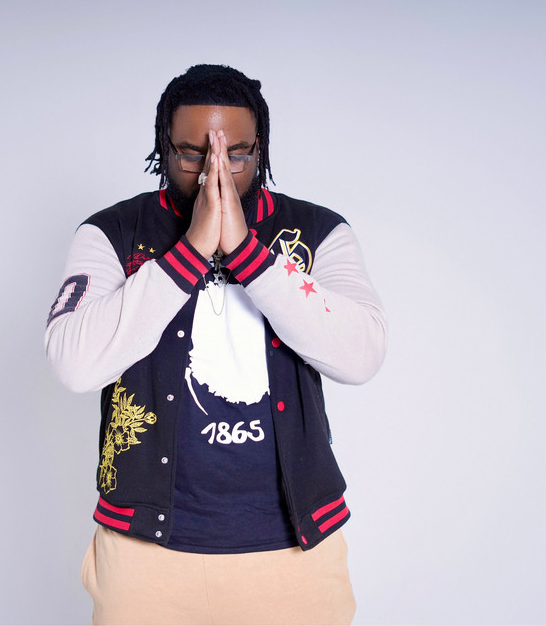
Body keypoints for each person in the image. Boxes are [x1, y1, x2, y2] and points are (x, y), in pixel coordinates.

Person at [45, 64, 387, 625]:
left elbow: (362, 354)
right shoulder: (112, 233)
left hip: (297, 556)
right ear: (164, 147)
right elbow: (73, 364)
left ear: (261, 149)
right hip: (144, 558)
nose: (215, 171)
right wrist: (190, 252)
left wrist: (249, 255)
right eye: (192, 155)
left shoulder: (319, 231)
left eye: (237, 155)